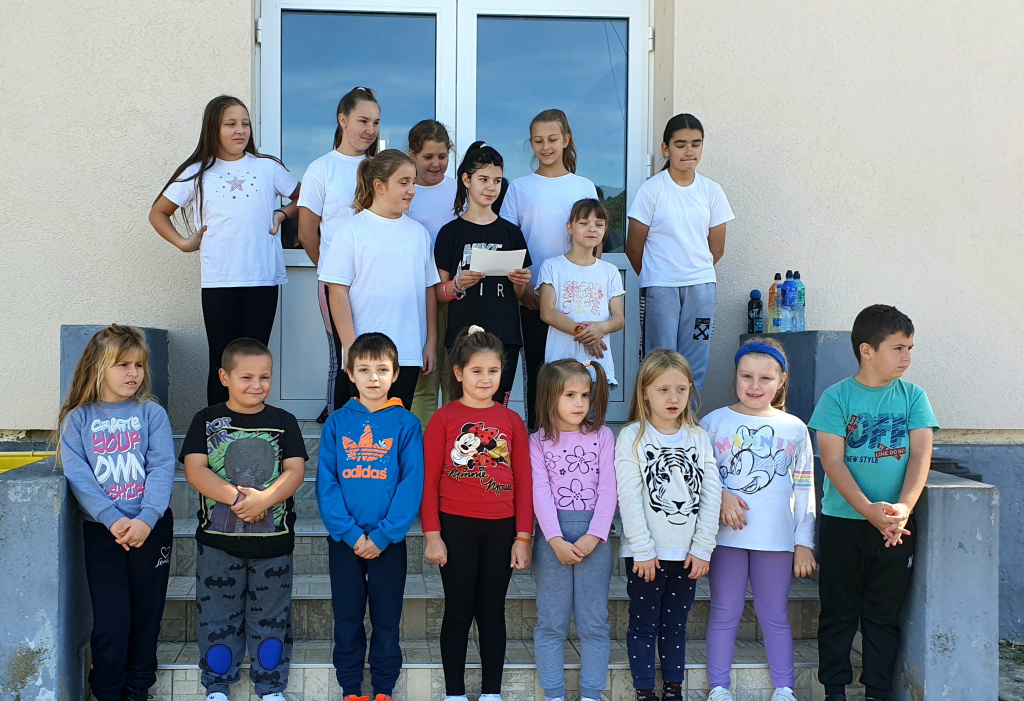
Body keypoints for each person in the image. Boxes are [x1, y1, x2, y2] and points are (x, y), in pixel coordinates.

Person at [809, 305, 938, 701]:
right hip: (844, 522)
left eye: (910, 348)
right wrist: (867, 510)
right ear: (867, 350)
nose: (907, 357)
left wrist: (903, 508)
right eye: (898, 348)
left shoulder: (914, 397)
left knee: (883, 615)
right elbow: (832, 460)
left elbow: (921, 455)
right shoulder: (836, 398)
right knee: (838, 612)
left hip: (896, 526)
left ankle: (877, 692)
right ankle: (834, 691)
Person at [150, 95, 300, 405]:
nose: (240, 130)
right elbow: (158, 213)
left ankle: (252, 423)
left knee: (255, 359)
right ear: (213, 129)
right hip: (219, 280)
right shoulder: (198, 171)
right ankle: (218, 426)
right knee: (222, 359)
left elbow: (304, 199)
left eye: (245, 124)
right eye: (230, 124)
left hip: (261, 279)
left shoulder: (267, 167)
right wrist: (184, 243)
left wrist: (282, 214)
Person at [179, 338, 308, 701]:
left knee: (272, 618)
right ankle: (217, 687)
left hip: (274, 546)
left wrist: (266, 499)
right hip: (218, 546)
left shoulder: (284, 421)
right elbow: (195, 469)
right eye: (247, 377)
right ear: (225, 377)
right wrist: (237, 499)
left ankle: (270, 688)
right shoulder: (206, 420)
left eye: (265, 377)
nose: (257, 385)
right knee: (217, 616)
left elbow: (295, 471)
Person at [57, 325, 175, 701]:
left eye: (139, 365)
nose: (133, 373)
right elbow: (79, 477)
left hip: (151, 528)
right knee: (111, 621)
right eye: (122, 365)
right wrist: (113, 519)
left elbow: (162, 466)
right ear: (97, 367)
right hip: (103, 532)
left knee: (146, 615)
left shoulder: (151, 413)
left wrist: (146, 518)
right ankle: (107, 692)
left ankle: (138, 688)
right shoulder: (78, 419)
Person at [420, 326, 534, 701]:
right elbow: (428, 482)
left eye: (493, 371)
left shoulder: (512, 421)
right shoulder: (443, 419)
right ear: (458, 373)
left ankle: (491, 692)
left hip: (501, 529)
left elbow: (524, 484)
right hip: (455, 527)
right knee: (458, 610)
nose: (485, 379)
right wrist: (433, 535)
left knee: (491, 610)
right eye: (477, 371)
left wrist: (523, 537)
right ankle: (454, 692)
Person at [701, 338, 816, 701]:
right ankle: (719, 687)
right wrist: (721, 494)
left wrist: (803, 542)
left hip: (776, 541)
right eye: (746, 376)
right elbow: (699, 476)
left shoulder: (794, 428)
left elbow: (805, 488)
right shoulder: (713, 423)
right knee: (724, 612)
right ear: (735, 376)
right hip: (725, 540)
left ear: (781, 381)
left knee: (775, 614)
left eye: (765, 378)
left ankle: (784, 688)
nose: (754, 385)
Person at [317, 332, 424, 701]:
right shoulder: (336, 423)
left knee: (386, 618)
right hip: (345, 541)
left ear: (396, 374)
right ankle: (350, 688)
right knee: (347, 617)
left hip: (387, 542)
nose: (373, 377)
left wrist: (383, 535)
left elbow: (411, 484)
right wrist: (349, 533)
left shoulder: (406, 423)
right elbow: (327, 483)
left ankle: (383, 689)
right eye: (364, 369)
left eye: (382, 369)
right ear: (350, 374)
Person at [614, 348, 721, 701]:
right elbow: (629, 498)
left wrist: (703, 547)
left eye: (681, 389)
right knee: (644, 624)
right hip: (646, 555)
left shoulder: (698, 436)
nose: (673, 398)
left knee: (676, 626)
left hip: (687, 554)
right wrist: (642, 550)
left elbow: (711, 493)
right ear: (644, 392)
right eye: (663, 390)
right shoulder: (632, 436)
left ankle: (673, 690)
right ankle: (645, 691)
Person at [319, 149, 440, 410]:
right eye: (404, 182)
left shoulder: (419, 234)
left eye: (413, 182)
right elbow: (337, 292)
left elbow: (429, 290)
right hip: (365, 355)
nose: (412, 190)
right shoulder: (351, 231)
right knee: (364, 425)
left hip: (407, 352)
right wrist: (351, 348)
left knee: (397, 423)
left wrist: (431, 342)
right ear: (379, 186)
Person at [500, 109, 598, 429]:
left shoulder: (583, 186)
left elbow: (594, 242)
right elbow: (509, 242)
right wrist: (524, 291)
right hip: (532, 297)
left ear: (566, 140)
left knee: (577, 374)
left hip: (576, 297)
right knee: (540, 373)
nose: (545, 147)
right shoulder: (520, 188)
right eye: (538, 140)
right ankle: (538, 439)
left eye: (552, 139)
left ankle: (576, 440)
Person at [625, 113, 734, 392]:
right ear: (666, 148)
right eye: (680, 144)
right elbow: (633, 247)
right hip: (660, 289)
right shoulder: (652, 189)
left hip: (701, 291)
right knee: (659, 362)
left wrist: (693, 270)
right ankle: (655, 417)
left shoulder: (711, 191)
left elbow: (717, 248)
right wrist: (656, 274)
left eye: (696, 144)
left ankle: (689, 417)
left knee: (694, 363)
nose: (689, 151)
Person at [530, 359, 616, 701]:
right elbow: (539, 491)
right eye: (570, 395)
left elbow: (609, 488)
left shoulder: (603, 436)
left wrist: (595, 535)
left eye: (585, 394)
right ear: (549, 396)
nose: (580, 403)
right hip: (552, 542)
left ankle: (591, 694)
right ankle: (554, 693)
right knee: (551, 622)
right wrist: (554, 539)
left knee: (594, 623)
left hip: (596, 540)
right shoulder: (537, 441)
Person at [297, 86, 381, 421]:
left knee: (375, 356)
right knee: (344, 356)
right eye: (363, 120)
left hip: (376, 280)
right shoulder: (321, 169)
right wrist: (332, 273)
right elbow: (306, 232)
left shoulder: (380, 168)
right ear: (343, 120)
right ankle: (336, 429)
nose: (370, 129)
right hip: (338, 284)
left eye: (376, 122)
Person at [433, 142, 533, 406]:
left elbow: (520, 293)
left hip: (505, 334)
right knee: (463, 406)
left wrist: (521, 284)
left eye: (497, 181)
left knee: (497, 407)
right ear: (466, 180)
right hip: (462, 335)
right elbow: (439, 292)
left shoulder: (511, 233)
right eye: (484, 180)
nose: (491, 188)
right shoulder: (450, 233)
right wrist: (457, 285)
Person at [538, 198, 625, 386]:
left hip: (598, 365)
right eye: (584, 223)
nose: (592, 229)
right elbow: (547, 312)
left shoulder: (610, 271)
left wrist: (602, 328)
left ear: (605, 230)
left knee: (595, 406)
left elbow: (619, 318)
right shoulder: (552, 267)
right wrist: (584, 334)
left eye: (599, 224)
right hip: (561, 367)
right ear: (570, 228)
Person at [408, 119, 458, 428]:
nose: (436, 164)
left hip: (455, 294)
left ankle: (454, 446)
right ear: (412, 154)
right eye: (428, 157)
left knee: (455, 378)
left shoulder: (459, 190)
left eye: (442, 156)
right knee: (424, 379)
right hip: (417, 296)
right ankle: (422, 447)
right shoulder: (405, 190)